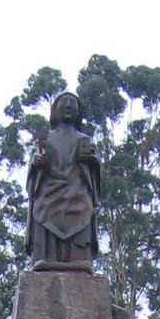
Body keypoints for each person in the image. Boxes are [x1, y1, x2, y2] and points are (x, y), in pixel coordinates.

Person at [25, 92, 100, 269]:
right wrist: (37, 164)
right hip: (49, 197)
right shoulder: (46, 139)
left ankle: (78, 259)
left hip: (78, 197)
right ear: (55, 110)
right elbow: (35, 162)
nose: (68, 105)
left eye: (73, 103)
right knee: (43, 212)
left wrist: (92, 161)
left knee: (83, 211)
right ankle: (46, 257)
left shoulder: (85, 140)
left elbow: (96, 170)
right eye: (64, 102)